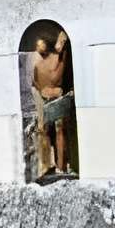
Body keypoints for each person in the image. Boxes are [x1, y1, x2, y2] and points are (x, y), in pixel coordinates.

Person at [30, 28, 76, 182]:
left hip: (59, 98)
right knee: (44, 133)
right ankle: (47, 166)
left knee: (60, 130)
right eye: (36, 45)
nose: (38, 47)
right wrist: (43, 92)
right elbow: (36, 83)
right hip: (45, 100)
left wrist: (56, 91)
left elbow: (59, 73)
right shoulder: (38, 65)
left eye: (40, 43)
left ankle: (62, 166)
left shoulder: (58, 58)